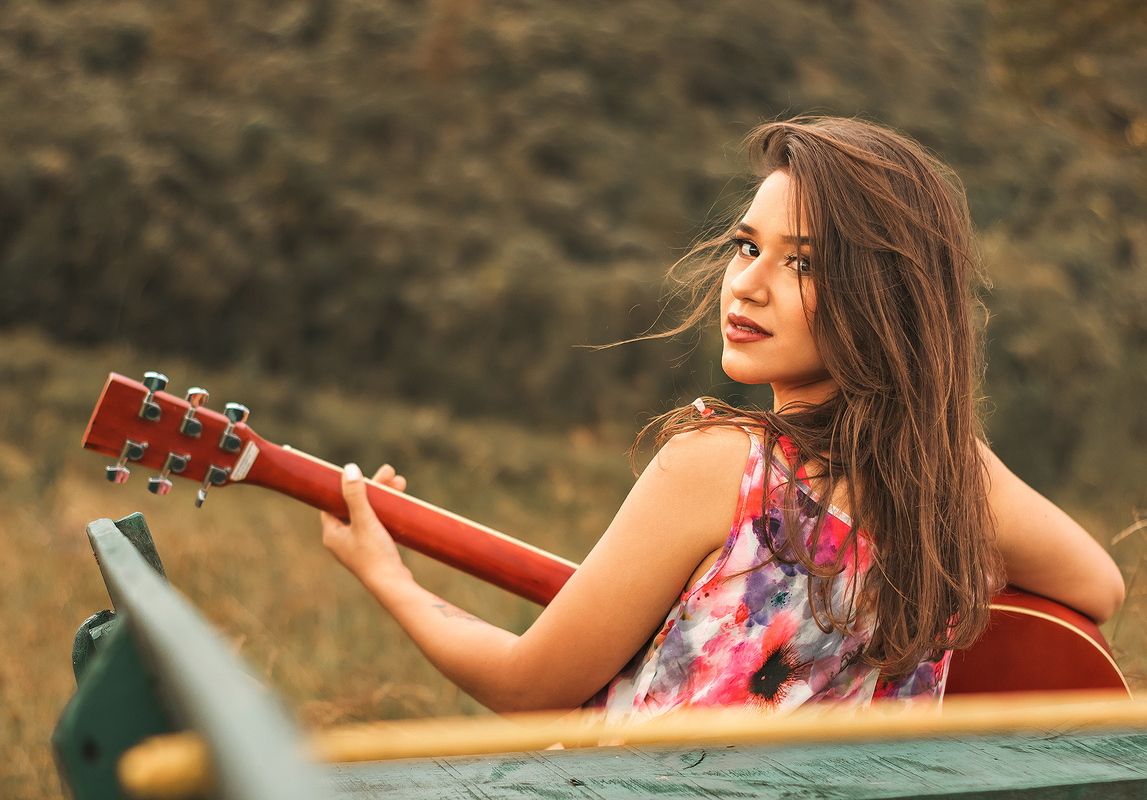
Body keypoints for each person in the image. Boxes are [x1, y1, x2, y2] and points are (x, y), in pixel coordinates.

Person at [320, 117, 1126, 721]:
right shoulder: (955, 481)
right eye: (748, 247)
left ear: (884, 301)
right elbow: (1098, 587)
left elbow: (528, 686)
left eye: (803, 262)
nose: (747, 284)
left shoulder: (719, 468)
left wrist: (386, 573)